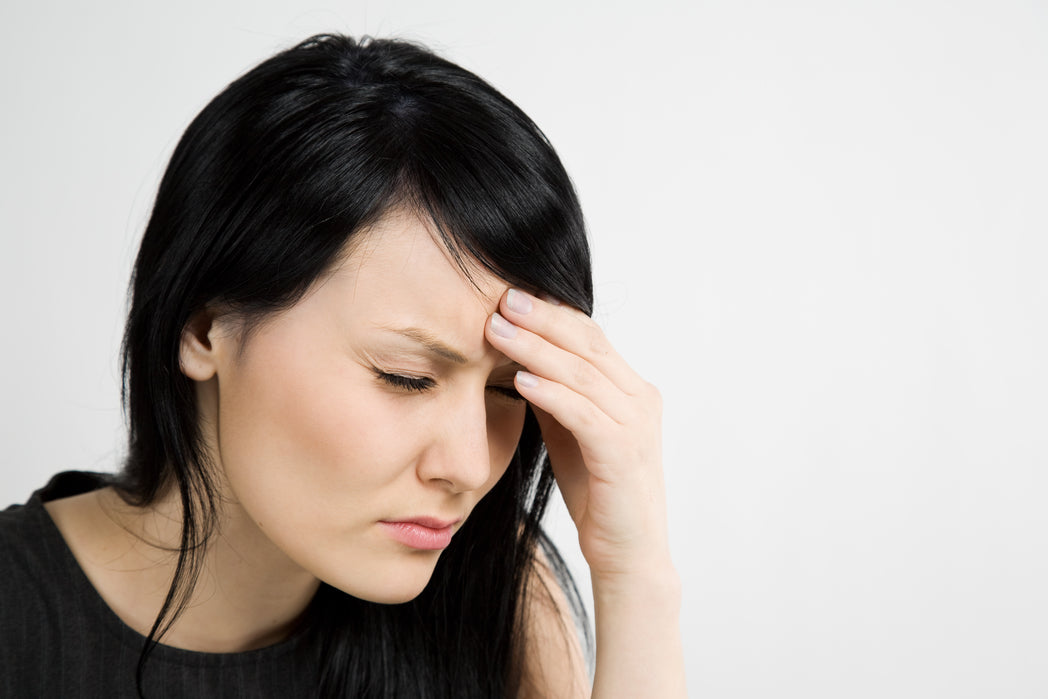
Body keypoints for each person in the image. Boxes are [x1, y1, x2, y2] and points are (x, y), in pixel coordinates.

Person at [0, 34, 684, 697]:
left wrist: (636, 577)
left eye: (507, 389)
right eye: (406, 375)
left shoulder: (498, 601)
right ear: (205, 326)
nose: (470, 465)